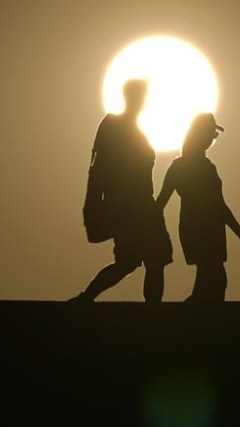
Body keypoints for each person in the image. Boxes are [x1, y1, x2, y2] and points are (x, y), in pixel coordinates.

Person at [70, 79, 173, 303]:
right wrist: (98, 206)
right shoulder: (115, 126)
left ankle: (152, 311)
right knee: (129, 261)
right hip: (128, 206)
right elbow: (99, 170)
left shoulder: (136, 129)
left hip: (145, 204)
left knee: (155, 262)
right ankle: (86, 298)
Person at [155, 113, 240, 303]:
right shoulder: (198, 168)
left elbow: (160, 204)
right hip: (201, 227)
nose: (212, 139)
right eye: (211, 134)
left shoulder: (185, 166)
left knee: (211, 276)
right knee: (214, 276)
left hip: (204, 226)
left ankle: (197, 315)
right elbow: (219, 206)